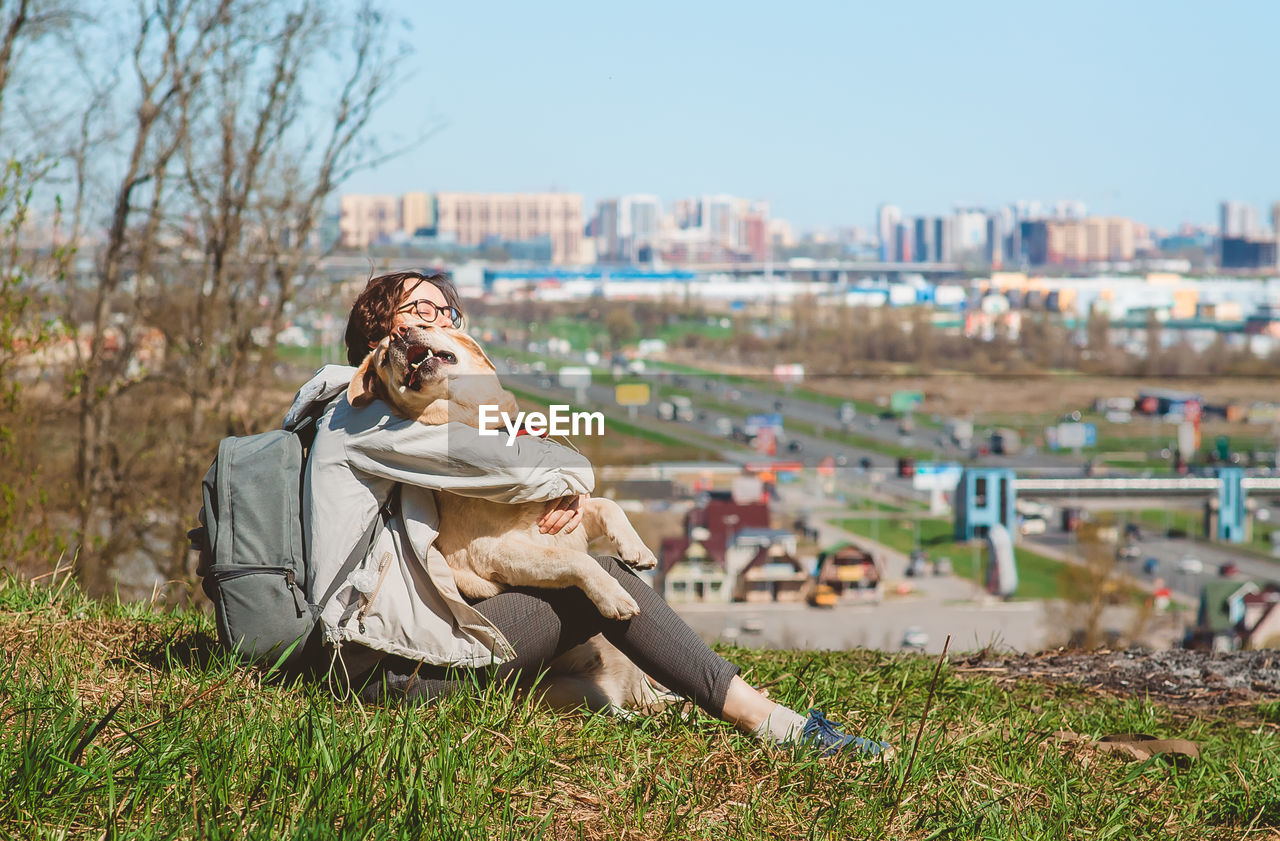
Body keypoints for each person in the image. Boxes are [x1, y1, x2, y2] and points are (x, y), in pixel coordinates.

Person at [283, 269, 892, 759]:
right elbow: (532, 467)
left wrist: (544, 463)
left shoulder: (383, 410)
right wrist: (567, 479)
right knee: (592, 582)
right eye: (419, 312)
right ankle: (771, 723)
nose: (436, 324)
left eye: (447, 315)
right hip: (385, 670)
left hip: (394, 647)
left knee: (584, 580)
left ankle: (671, 693)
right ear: (376, 339)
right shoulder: (371, 412)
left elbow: (518, 452)